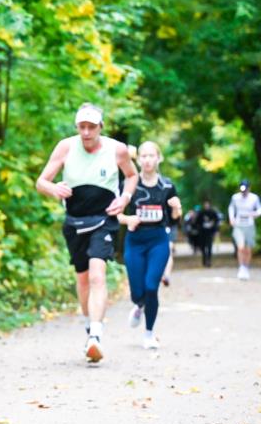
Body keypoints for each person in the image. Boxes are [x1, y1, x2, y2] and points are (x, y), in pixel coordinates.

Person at [36, 103, 138, 363]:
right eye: (82, 126)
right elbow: (41, 181)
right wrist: (54, 189)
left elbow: (132, 175)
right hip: (75, 221)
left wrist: (125, 197)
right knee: (82, 280)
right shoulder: (66, 147)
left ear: (100, 128)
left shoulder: (117, 149)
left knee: (97, 275)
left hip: (104, 219)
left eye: (91, 127)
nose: (86, 132)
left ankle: (96, 335)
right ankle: (90, 324)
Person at [117, 141, 181, 349]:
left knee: (151, 286)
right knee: (137, 291)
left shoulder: (167, 186)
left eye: (151, 155)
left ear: (158, 158)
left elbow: (174, 220)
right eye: (143, 156)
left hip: (158, 241)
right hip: (135, 241)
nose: (147, 160)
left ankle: (149, 333)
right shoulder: (130, 185)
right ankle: (139, 305)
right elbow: (114, 214)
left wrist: (176, 209)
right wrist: (128, 220)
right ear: (138, 159)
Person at [228, 178, 261, 280]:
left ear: (249, 188)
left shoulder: (254, 198)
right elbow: (231, 208)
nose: (244, 192)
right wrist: (232, 218)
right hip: (239, 224)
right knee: (240, 247)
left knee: (248, 249)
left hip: (249, 224)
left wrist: (254, 214)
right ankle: (241, 267)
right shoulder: (235, 198)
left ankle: (246, 267)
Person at [195, 198, 221, 267]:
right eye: (205, 204)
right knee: (203, 247)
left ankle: (209, 261)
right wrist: (201, 227)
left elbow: (217, 221)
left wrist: (214, 227)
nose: (206, 205)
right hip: (202, 233)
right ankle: (204, 260)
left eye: (207, 204)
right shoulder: (201, 213)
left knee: (209, 247)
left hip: (210, 233)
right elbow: (196, 222)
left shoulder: (213, 212)